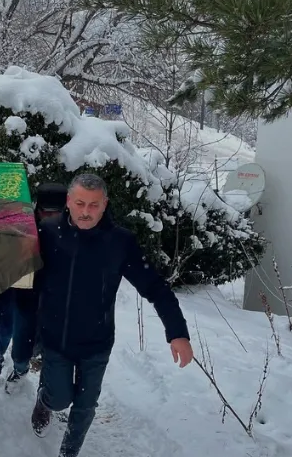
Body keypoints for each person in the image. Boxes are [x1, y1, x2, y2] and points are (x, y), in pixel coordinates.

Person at [30, 173, 194, 457]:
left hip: (97, 340)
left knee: (85, 405)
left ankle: (68, 453)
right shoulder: (47, 231)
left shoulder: (120, 242)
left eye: (94, 205)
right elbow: (23, 275)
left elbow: (154, 286)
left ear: (104, 204)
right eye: (80, 203)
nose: (86, 211)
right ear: (68, 201)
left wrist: (177, 332)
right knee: (59, 400)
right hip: (56, 337)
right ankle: (45, 400)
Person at [4, 182, 67, 393]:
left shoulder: (74, 230)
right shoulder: (24, 228)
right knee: (22, 347)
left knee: (52, 353)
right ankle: (19, 371)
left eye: (55, 214)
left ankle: (45, 395)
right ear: (37, 209)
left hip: (57, 304)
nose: (50, 218)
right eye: (45, 213)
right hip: (27, 299)